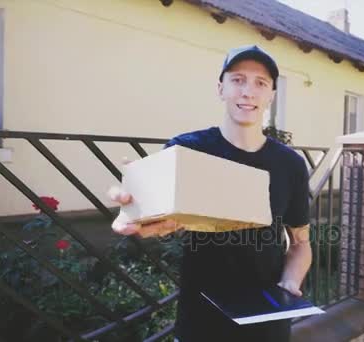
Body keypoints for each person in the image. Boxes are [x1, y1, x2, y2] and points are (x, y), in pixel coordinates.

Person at [108, 45, 312, 342]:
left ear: (271, 95)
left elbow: (301, 245)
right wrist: (134, 210)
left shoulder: (290, 164)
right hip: (200, 325)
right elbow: (151, 213)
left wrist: (290, 283)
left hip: (267, 327)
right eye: (238, 80)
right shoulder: (187, 150)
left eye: (260, 83)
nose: (248, 92)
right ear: (221, 89)